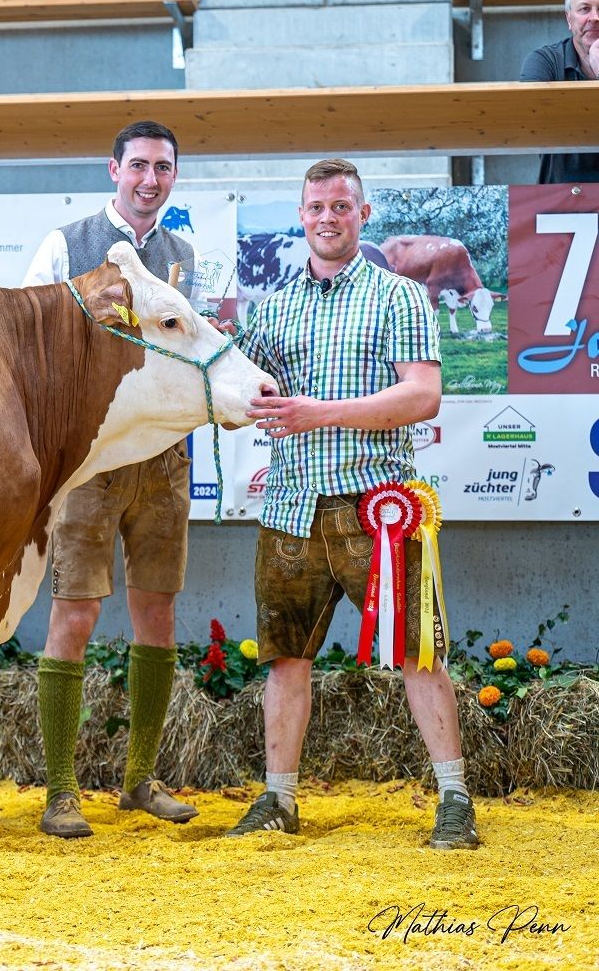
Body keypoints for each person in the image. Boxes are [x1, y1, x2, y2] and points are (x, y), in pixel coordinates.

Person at [223, 158, 477, 850]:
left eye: (341, 207)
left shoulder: (398, 296)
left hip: (378, 503)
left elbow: (422, 396)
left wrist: (317, 414)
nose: (328, 218)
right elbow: (237, 393)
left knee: (421, 654)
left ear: (363, 216)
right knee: (284, 660)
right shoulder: (271, 308)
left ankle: (455, 799)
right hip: (290, 510)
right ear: (301, 217)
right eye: (316, 208)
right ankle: (278, 801)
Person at [21, 119, 200, 839]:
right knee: (76, 615)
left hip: (163, 459)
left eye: (163, 167)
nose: (150, 179)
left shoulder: (184, 252)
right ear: (113, 170)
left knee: (157, 614)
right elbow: (29, 337)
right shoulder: (67, 243)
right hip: (91, 460)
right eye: (139, 166)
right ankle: (60, 791)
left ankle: (139, 781)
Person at [519, 0, 599, 183]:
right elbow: (531, 123)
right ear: (569, 19)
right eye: (584, 9)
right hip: (561, 199)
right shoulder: (543, 61)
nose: (595, 17)